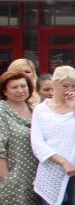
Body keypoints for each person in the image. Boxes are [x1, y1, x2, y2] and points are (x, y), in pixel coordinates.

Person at [31, 66, 75, 205]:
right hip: (51, 169)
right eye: (65, 86)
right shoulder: (41, 110)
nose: (69, 90)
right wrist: (62, 161)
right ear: (55, 84)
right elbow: (37, 143)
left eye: (73, 86)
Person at [0, 69, 41, 205]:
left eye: (23, 86)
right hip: (13, 181)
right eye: (14, 87)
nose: (20, 91)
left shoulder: (37, 110)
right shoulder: (2, 112)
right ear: (5, 91)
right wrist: (7, 179)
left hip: (37, 179)